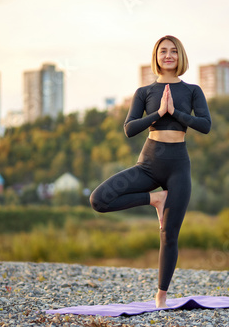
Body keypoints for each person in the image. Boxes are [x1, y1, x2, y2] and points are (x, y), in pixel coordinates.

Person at [89, 35, 211, 308]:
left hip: (178, 166)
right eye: (162, 51)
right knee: (98, 200)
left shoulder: (192, 90)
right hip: (148, 163)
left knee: (169, 235)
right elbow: (129, 128)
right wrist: (157, 113)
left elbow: (205, 125)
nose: (168, 55)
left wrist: (176, 113)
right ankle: (155, 198)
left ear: (180, 56)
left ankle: (161, 295)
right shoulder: (144, 92)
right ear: (155, 57)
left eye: (173, 51)